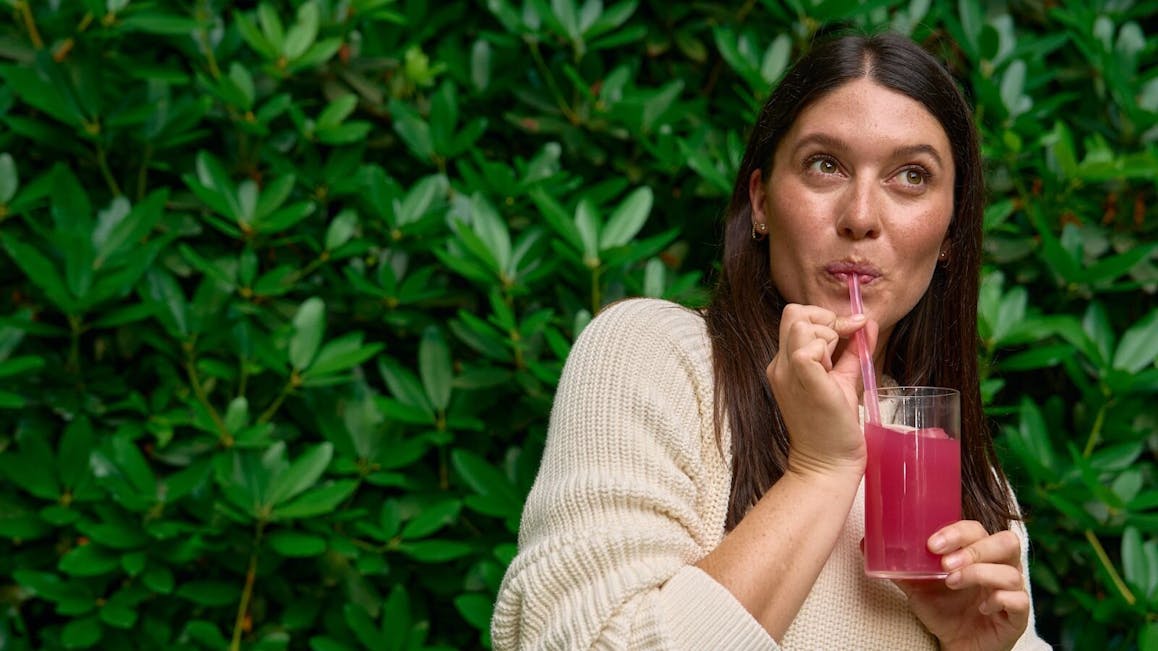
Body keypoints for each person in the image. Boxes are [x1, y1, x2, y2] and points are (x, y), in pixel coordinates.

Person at [491, 31, 1052, 650]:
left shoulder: (963, 474)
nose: (860, 216)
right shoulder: (652, 357)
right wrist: (820, 471)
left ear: (949, 232)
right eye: (825, 165)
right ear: (760, 201)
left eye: (911, 176)